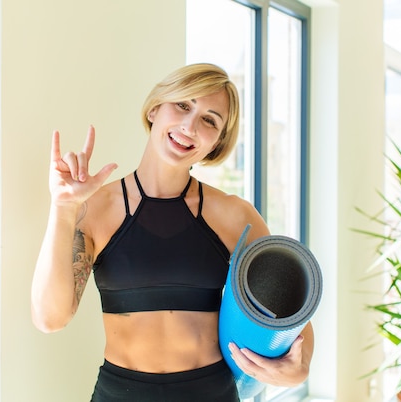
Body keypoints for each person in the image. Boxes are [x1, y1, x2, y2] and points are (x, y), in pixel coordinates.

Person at [31, 63, 314, 401]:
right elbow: (50, 318)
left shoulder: (235, 216)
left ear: (217, 142)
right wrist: (63, 207)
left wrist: (301, 365)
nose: (190, 126)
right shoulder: (96, 208)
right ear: (154, 109)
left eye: (210, 120)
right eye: (183, 105)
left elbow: (291, 309)